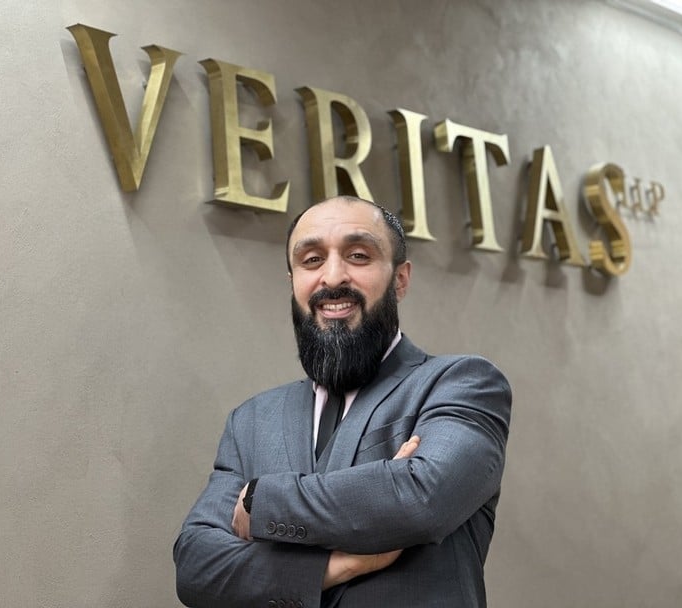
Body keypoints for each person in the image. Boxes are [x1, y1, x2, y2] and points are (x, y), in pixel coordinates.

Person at [173, 195, 512, 607]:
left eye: (358, 256)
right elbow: (196, 567)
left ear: (400, 279)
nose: (333, 277)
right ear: (293, 281)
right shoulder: (251, 421)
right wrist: (336, 566)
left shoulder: (461, 384)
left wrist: (260, 500)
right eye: (312, 260)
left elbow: (422, 498)